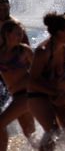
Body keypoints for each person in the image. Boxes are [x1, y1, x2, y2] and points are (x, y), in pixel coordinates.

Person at [27, 13, 65, 150]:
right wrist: (53, 91)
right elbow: (32, 81)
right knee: (54, 131)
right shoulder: (43, 51)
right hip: (37, 95)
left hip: (56, 93)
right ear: (59, 32)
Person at [0, 20, 36, 151]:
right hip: (17, 97)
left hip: (27, 95)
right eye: (17, 33)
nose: (20, 36)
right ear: (6, 34)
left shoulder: (24, 51)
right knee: (30, 134)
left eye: (21, 33)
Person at [0, 0, 30, 108]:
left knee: (9, 98)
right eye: (0, 9)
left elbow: (26, 46)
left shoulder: (16, 25)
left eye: (5, 9)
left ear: (9, 8)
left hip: (13, 67)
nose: (3, 12)